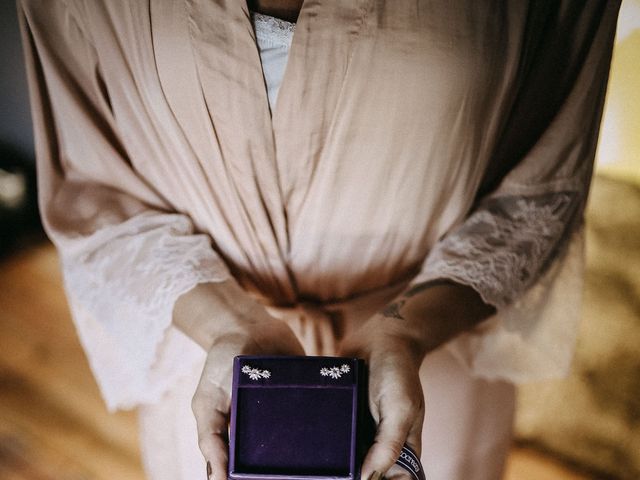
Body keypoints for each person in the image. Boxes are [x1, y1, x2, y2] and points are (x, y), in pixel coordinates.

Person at [17, 1, 621, 479]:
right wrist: (229, 325)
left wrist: (406, 329)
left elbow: (542, 185)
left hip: (418, 373)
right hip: (219, 383)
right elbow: (91, 190)